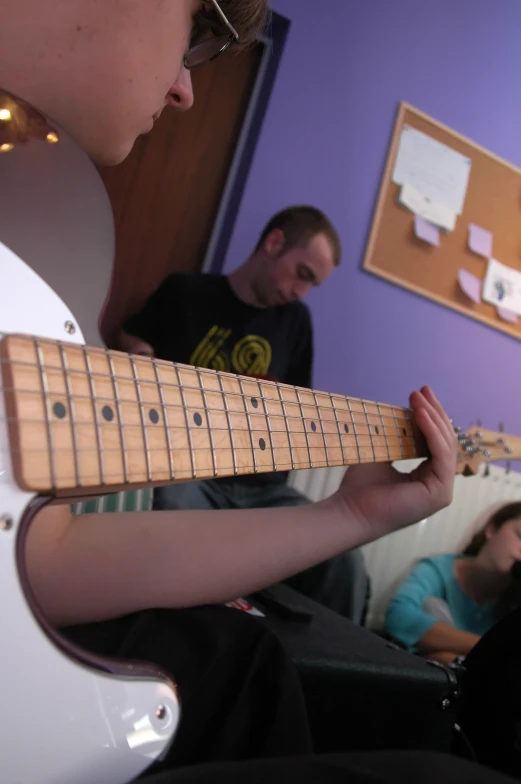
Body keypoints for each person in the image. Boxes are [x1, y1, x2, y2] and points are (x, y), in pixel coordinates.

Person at [2, 2, 504, 783]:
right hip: (177, 470)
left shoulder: (48, 219)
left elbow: (48, 555)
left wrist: (349, 512)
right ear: (272, 245)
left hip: (251, 480)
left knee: (268, 639)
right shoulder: (178, 287)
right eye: (198, 23)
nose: (186, 90)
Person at [113, 205, 368, 620]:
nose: (301, 292)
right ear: (274, 244)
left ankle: (345, 675)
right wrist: (142, 356)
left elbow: (299, 410)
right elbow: (131, 333)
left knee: (345, 561)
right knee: (174, 511)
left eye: (313, 284)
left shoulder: (296, 321)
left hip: (262, 491)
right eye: (303, 274)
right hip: (189, 471)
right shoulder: (186, 292)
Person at [384, 501, 521, 665]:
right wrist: (490, 647)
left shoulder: (515, 594)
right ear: (492, 529)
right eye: (520, 536)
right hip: (426, 676)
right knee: (431, 606)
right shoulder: (439, 570)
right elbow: (399, 616)